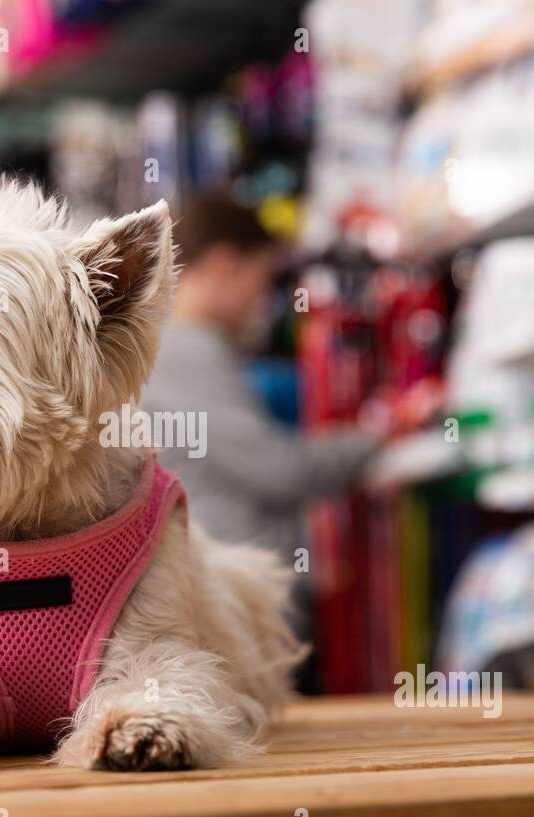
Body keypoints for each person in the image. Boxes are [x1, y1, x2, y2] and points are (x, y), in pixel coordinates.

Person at [141, 194, 379, 689]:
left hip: (221, 603)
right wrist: (375, 439)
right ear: (225, 265)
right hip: (234, 614)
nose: (264, 300)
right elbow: (278, 472)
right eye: (263, 279)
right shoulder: (185, 349)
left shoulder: (171, 348)